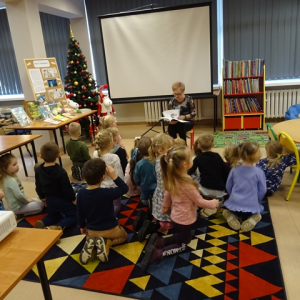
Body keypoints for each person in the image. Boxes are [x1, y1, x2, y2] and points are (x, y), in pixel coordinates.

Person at [140, 146, 219, 271]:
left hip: (175, 216)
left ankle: (160, 242)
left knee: (180, 234)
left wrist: (165, 206)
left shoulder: (173, 176)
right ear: (185, 164)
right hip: (185, 219)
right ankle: (158, 254)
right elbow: (199, 201)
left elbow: (167, 194)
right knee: (183, 243)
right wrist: (214, 203)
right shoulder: (187, 183)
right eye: (191, 157)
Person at [77, 159, 129, 264]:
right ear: (103, 177)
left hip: (92, 231)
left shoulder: (81, 194)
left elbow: (79, 214)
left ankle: (92, 242)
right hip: (111, 229)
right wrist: (114, 176)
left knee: (91, 236)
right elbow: (124, 188)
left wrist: (82, 227)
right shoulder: (107, 192)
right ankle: (107, 242)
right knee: (124, 236)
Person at [134, 133, 174, 242]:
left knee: (158, 210)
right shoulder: (165, 162)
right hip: (166, 192)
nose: (171, 150)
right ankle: (156, 226)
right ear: (161, 150)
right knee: (170, 220)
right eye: (169, 148)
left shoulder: (156, 159)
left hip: (158, 191)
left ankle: (149, 219)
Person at [223, 142, 266, 232]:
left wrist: (232, 196)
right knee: (255, 212)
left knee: (231, 210)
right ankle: (253, 217)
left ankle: (232, 215)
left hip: (234, 203)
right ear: (256, 156)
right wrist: (257, 200)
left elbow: (228, 186)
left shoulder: (234, 169)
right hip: (251, 205)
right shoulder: (259, 172)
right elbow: (262, 190)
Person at [34, 142, 77, 232]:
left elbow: (38, 186)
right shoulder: (61, 171)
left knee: (53, 215)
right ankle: (58, 226)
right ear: (58, 156)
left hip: (50, 200)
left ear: (41, 156)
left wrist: (42, 197)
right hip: (63, 200)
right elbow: (67, 188)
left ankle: (43, 223)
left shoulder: (38, 170)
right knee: (74, 216)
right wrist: (73, 199)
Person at [188, 133, 229, 217]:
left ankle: (207, 203)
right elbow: (225, 172)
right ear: (213, 144)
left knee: (194, 177)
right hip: (220, 191)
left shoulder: (197, 158)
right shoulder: (217, 156)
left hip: (205, 190)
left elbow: (189, 172)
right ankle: (218, 204)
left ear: (198, 146)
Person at [0, 153, 44, 217]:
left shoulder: (7, 177)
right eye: (14, 165)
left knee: (38, 200)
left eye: (17, 163)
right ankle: (20, 214)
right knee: (40, 205)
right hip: (17, 207)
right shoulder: (11, 180)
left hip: (19, 203)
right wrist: (27, 201)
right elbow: (19, 195)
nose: (17, 166)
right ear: (5, 169)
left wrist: (27, 198)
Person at [93, 129, 124, 213]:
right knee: (117, 206)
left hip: (99, 186)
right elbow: (119, 174)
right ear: (111, 143)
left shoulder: (95, 154)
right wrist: (122, 185)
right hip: (113, 188)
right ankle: (109, 215)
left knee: (103, 203)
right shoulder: (114, 157)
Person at [133, 137, 157, 205]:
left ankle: (147, 202)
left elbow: (136, 178)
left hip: (145, 187)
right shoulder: (157, 161)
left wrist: (139, 184)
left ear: (139, 151)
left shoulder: (139, 164)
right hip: (157, 187)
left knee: (143, 199)